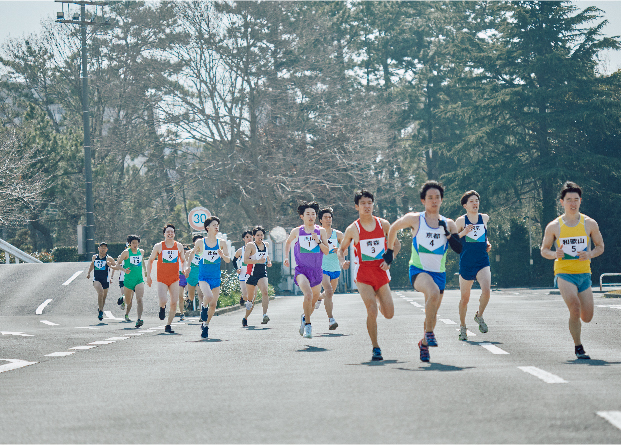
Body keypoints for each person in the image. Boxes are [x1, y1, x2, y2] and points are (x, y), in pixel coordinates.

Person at [385, 181, 462, 362]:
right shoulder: (415, 219)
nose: (434, 201)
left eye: (437, 198)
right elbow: (394, 228)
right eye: (430, 198)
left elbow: (459, 249)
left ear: (441, 200)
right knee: (432, 292)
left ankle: (424, 343)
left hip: (439, 273)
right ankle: (429, 333)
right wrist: (389, 252)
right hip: (419, 271)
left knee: (432, 312)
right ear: (423, 200)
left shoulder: (448, 223)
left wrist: (449, 234)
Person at [541, 181, 604, 360]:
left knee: (587, 316)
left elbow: (600, 246)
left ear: (580, 201)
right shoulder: (554, 226)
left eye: (576, 199)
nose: (572, 203)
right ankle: (578, 347)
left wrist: (590, 254)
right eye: (569, 200)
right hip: (564, 273)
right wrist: (555, 253)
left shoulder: (589, 223)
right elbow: (544, 250)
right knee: (575, 308)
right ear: (562, 202)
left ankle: (575, 324)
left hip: (584, 274)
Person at [338, 189, 400, 361]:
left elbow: (397, 245)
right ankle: (376, 347)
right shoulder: (353, 229)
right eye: (363, 203)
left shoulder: (384, 225)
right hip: (363, 275)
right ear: (357, 206)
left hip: (381, 273)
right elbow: (341, 250)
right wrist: (343, 262)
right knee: (371, 310)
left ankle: (380, 301)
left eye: (369, 203)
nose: (367, 206)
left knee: (389, 314)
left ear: (373, 204)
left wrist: (389, 259)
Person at [284, 202, 330, 339]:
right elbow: (287, 242)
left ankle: (305, 317)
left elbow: (326, 251)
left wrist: (319, 241)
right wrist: (286, 257)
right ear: (302, 216)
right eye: (308, 214)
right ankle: (308, 326)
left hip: (316, 271)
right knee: (308, 294)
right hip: (301, 270)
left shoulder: (321, 231)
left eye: (313, 214)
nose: (311, 216)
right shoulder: (297, 231)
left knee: (313, 301)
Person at [455, 190, 492, 341]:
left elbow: (484, 235)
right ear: (465, 205)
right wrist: (463, 232)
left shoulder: (484, 218)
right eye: (471, 201)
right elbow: (452, 240)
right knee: (465, 298)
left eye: (477, 200)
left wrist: (488, 242)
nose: (475, 203)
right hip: (467, 262)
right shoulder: (460, 221)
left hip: (482, 260)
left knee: (487, 291)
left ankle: (479, 315)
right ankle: (463, 327)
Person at [185, 216, 231, 338]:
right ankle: (203, 308)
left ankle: (205, 325)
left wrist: (222, 255)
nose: (217, 227)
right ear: (208, 227)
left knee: (214, 304)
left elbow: (228, 259)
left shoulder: (221, 243)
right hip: (203, 276)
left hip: (215, 276)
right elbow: (191, 254)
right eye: (214, 225)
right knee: (208, 296)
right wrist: (188, 266)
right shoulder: (201, 242)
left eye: (218, 225)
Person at [147, 224, 186, 334]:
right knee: (163, 300)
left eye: (172, 232)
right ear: (164, 234)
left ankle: (168, 325)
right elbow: (150, 261)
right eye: (168, 232)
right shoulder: (158, 246)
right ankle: (162, 307)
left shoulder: (179, 246)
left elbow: (183, 260)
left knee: (174, 302)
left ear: (174, 234)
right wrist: (148, 276)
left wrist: (185, 268)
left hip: (174, 278)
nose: (170, 234)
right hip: (162, 278)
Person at [317, 207, 343, 330]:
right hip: (322, 267)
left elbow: (345, 251)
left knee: (329, 294)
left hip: (335, 267)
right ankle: (331, 319)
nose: (328, 219)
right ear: (320, 220)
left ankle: (318, 297)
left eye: (330, 217)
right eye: (326, 217)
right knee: (328, 290)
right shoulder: (317, 234)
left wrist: (340, 251)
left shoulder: (338, 234)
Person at [242, 226, 272, 327]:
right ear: (254, 236)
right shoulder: (251, 245)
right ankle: (245, 317)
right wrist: (258, 261)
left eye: (262, 235)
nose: (260, 237)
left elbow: (266, 256)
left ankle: (264, 315)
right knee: (251, 300)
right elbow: (245, 260)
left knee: (265, 292)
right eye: (258, 235)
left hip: (262, 273)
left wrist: (269, 262)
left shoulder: (266, 244)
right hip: (251, 274)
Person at [116, 235, 147, 327]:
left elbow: (142, 261)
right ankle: (124, 298)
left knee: (140, 299)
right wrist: (124, 270)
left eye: (136, 243)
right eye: (133, 243)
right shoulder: (126, 253)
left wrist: (145, 271)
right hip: (128, 280)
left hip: (139, 279)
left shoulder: (141, 252)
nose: (135, 244)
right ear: (129, 243)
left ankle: (139, 319)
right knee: (129, 302)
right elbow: (118, 265)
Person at [85, 242, 119, 321]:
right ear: (98, 248)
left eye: (104, 248)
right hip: (96, 279)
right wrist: (89, 273)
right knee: (100, 292)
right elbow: (92, 264)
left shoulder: (109, 258)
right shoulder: (94, 257)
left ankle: (100, 308)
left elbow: (116, 266)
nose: (103, 249)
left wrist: (111, 266)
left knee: (103, 297)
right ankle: (100, 311)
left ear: (107, 249)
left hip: (105, 279)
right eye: (101, 247)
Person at [232, 230, 258, 321]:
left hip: (254, 274)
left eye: (250, 237)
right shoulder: (240, 250)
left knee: (252, 298)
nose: (249, 239)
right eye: (247, 237)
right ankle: (243, 297)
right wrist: (237, 269)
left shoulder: (256, 249)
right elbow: (234, 261)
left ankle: (246, 317)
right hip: (243, 275)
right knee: (246, 296)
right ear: (243, 239)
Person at [185, 235, 204, 311]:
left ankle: (201, 314)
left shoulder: (205, 252)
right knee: (191, 296)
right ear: (194, 243)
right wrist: (186, 270)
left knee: (201, 295)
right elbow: (185, 264)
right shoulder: (189, 253)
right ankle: (189, 301)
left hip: (201, 276)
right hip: (191, 276)